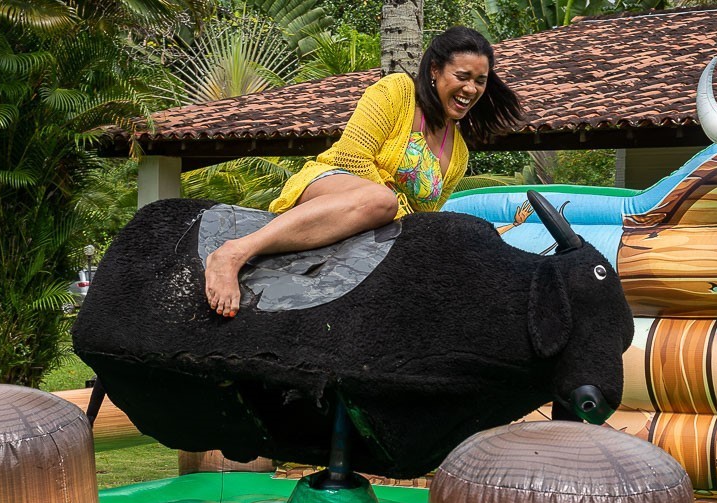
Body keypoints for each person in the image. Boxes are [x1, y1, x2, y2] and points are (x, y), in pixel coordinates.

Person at [203, 26, 523, 317]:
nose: (471, 88)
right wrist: (395, 206)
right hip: (332, 184)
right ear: (435, 71)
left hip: (381, 225)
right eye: (462, 76)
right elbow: (351, 156)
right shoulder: (397, 91)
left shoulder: (458, 154)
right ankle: (234, 253)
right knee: (380, 200)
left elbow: (424, 217)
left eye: (480, 81)